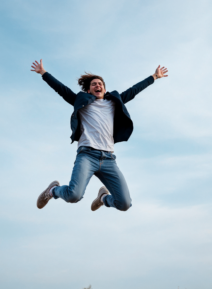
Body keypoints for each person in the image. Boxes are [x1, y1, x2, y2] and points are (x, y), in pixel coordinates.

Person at [31, 59, 168, 212]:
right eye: (94, 84)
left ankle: (103, 199)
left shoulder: (114, 102)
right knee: (73, 196)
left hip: (109, 159)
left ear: (104, 88)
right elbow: (61, 89)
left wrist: (154, 77)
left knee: (124, 204)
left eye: (100, 84)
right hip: (87, 156)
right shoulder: (81, 101)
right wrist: (43, 73)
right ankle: (52, 191)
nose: (98, 85)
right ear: (89, 90)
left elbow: (134, 90)